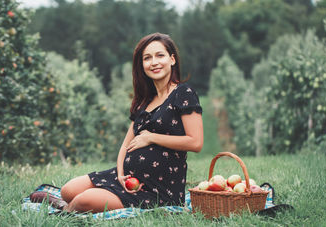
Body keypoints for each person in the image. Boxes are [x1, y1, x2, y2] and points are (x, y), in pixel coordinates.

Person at [31, 32, 203, 213]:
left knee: (84, 200)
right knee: (68, 190)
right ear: (142, 65)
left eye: (160, 55)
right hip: (128, 178)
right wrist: (121, 174)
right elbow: (125, 146)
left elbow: (196, 142)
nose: (154, 62)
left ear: (172, 59)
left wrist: (151, 138)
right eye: (147, 58)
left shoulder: (183, 93)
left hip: (158, 189)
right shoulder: (145, 101)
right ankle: (66, 203)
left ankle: (63, 211)